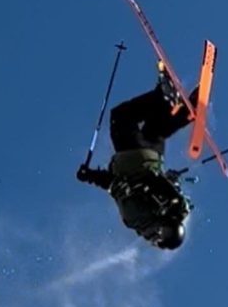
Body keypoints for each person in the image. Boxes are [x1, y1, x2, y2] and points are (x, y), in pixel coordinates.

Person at [77, 65, 198, 250]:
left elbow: (117, 184)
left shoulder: (162, 213)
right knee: (121, 117)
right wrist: (90, 176)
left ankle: (180, 109)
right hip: (132, 157)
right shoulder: (137, 218)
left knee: (155, 129)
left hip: (153, 157)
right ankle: (163, 97)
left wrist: (90, 176)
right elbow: (116, 185)